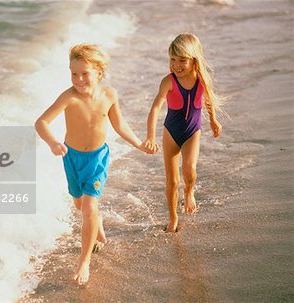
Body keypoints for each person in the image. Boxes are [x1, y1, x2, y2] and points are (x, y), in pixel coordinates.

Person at [35, 44, 145, 285]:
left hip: (97, 159)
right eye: (74, 73)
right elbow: (41, 122)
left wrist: (139, 144)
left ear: (99, 72)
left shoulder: (109, 95)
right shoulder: (69, 97)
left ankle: (84, 261)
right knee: (78, 202)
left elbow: (120, 125)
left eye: (85, 73)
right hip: (71, 157)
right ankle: (97, 222)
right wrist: (53, 142)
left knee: (88, 207)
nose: (79, 79)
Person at [143, 33, 223, 233]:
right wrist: (151, 137)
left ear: (194, 60)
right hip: (171, 133)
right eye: (172, 60)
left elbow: (209, 100)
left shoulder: (202, 80)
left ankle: (189, 192)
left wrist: (213, 120)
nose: (176, 65)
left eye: (182, 61)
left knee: (189, 169)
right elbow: (155, 108)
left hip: (192, 132)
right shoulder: (168, 81)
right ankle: (172, 218)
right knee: (172, 181)